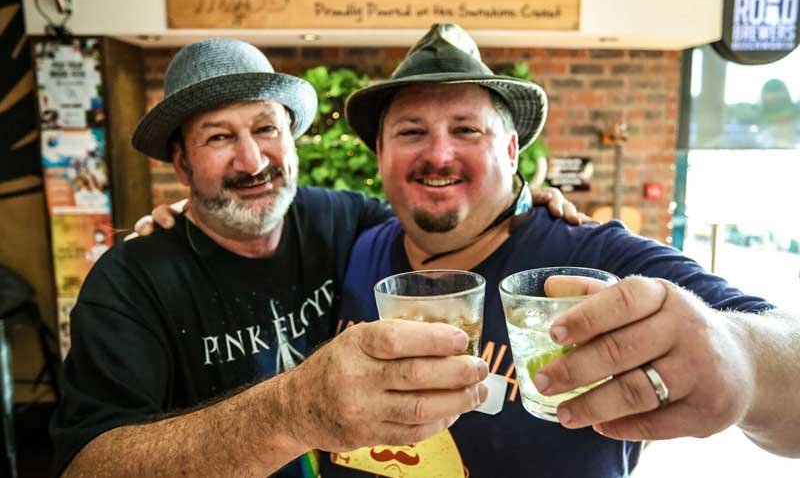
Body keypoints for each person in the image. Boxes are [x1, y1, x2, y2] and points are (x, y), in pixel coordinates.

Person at [51, 37, 580, 478]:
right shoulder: (129, 283)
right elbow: (85, 466)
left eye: (266, 128)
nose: (252, 160)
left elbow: (443, 215)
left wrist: (523, 205)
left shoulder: (344, 221)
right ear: (183, 164)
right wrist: (287, 413)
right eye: (219, 137)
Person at [315, 24, 800, 478]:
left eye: (467, 130)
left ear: (510, 151)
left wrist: (740, 355)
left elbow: (786, 350)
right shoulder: (356, 243)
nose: (439, 154)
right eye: (411, 132)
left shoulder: (597, 258)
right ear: (380, 152)